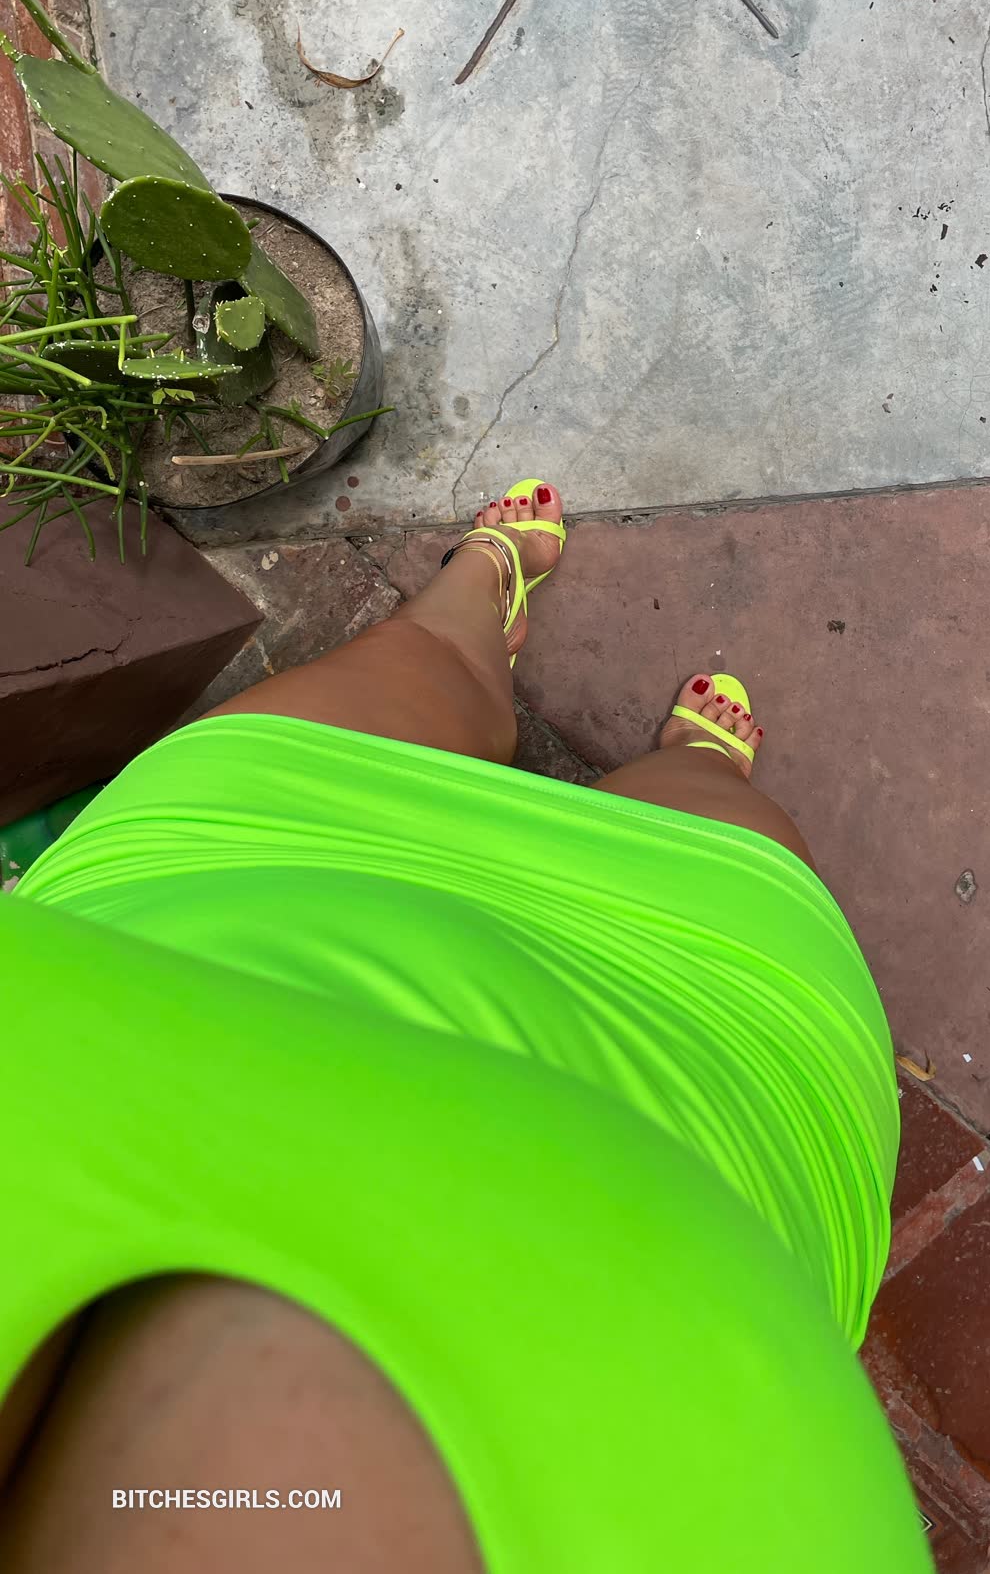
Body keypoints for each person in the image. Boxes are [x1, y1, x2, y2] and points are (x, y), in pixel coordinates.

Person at [0, 481, 931, 1573]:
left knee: (421, 668)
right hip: (692, 1106)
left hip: (216, 896)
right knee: (717, 834)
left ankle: (477, 598)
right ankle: (686, 768)